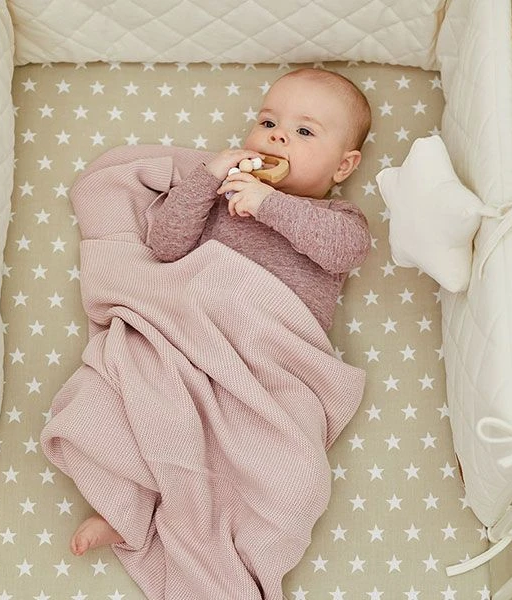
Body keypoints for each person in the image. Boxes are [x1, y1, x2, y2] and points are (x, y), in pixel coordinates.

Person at [69, 66, 372, 556]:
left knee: (297, 474)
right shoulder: (218, 195)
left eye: (303, 132)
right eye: (268, 123)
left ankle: (244, 534)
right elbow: (165, 245)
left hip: (271, 360)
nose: (277, 137)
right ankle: (124, 506)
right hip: (189, 334)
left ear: (343, 166)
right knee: (124, 400)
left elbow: (344, 251)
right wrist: (206, 181)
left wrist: (269, 203)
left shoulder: (336, 217)